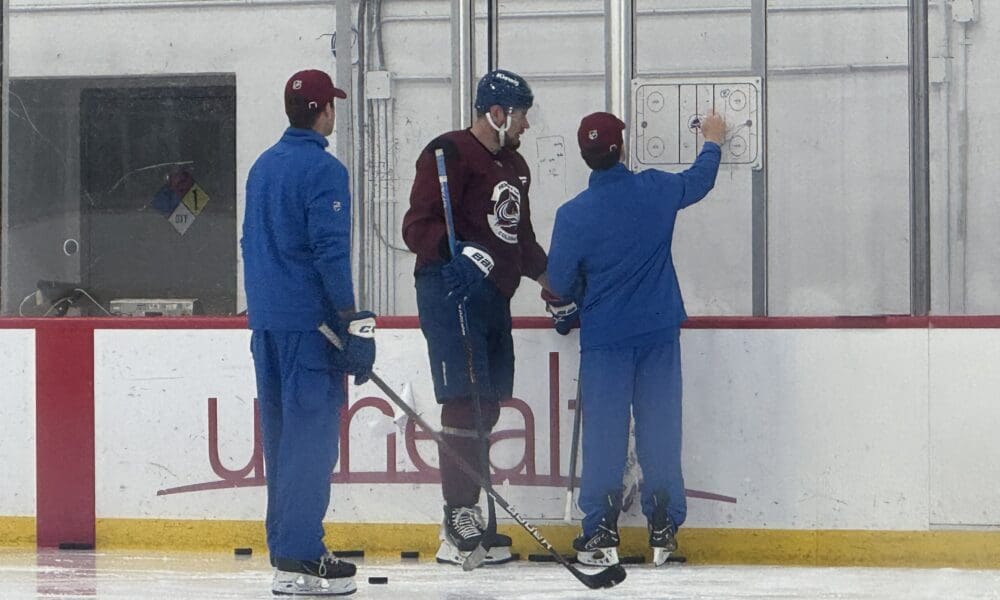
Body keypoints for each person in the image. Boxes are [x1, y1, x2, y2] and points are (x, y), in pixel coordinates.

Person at [545, 110, 727, 567]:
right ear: (621, 148)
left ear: (585, 158)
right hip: (658, 330)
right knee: (661, 430)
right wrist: (713, 142)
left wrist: (574, 299)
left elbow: (559, 284)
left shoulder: (572, 216)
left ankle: (601, 530)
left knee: (605, 435)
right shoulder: (655, 190)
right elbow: (699, 182)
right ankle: (663, 528)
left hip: (606, 338)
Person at [401, 69, 550, 566]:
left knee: (489, 405)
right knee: (464, 403)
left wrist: (552, 280)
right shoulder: (447, 153)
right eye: (522, 114)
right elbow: (415, 225)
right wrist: (451, 251)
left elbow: (518, 239)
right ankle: (458, 514)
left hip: (493, 297)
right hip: (450, 293)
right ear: (497, 112)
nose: (527, 124)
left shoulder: (515, 166)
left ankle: (473, 513)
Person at [241, 69, 377, 596]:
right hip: (310, 328)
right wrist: (351, 321)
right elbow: (329, 251)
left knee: (280, 439)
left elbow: (249, 243)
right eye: (332, 106)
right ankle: (301, 551)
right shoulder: (324, 170)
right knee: (312, 440)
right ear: (324, 110)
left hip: (268, 323)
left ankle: (287, 549)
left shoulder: (261, 167)